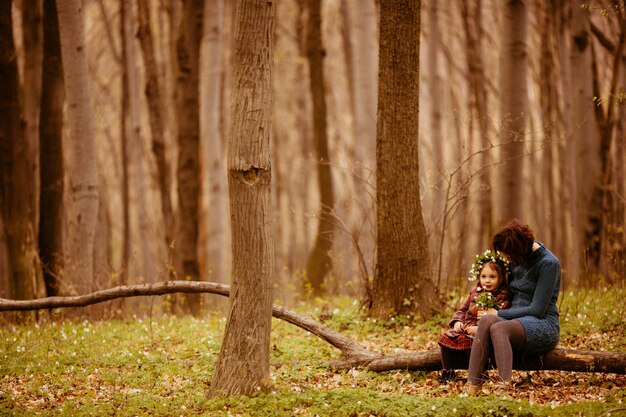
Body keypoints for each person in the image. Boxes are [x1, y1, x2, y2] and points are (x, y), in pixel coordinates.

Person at [465, 219, 561, 395]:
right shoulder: (519, 258)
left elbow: (536, 310)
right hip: (515, 321)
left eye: (508, 255)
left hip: (542, 324)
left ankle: (503, 387)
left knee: (499, 327)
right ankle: (472, 386)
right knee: (487, 320)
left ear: (519, 250)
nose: (507, 259)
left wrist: (498, 312)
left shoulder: (548, 264)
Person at [438, 250, 512, 382]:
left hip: (483, 334)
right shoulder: (474, 293)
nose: (487, 281)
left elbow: (501, 321)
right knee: (445, 338)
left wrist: (480, 329)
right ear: (479, 277)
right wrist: (457, 322)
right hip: (466, 329)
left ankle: (479, 373)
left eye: (492, 277)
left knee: (473, 340)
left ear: (500, 278)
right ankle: (447, 372)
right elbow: (463, 309)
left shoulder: (502, 296)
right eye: (483, 277)